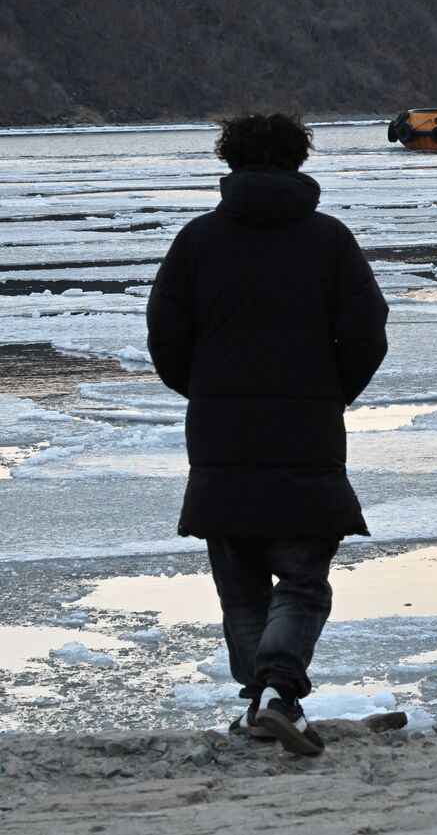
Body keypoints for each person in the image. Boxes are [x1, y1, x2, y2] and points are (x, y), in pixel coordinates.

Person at [146, 114, 389, 754]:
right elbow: (366, 333)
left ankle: (261, 702)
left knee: (242, 584)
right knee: (303, 576)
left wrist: (209, 394)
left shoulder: (197, 241)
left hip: (220, 439)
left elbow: (166, 340)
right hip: (306, 436)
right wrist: (328, 393)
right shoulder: (330, 241)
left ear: (230, 161)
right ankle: (278, 693)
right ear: (297, 160)